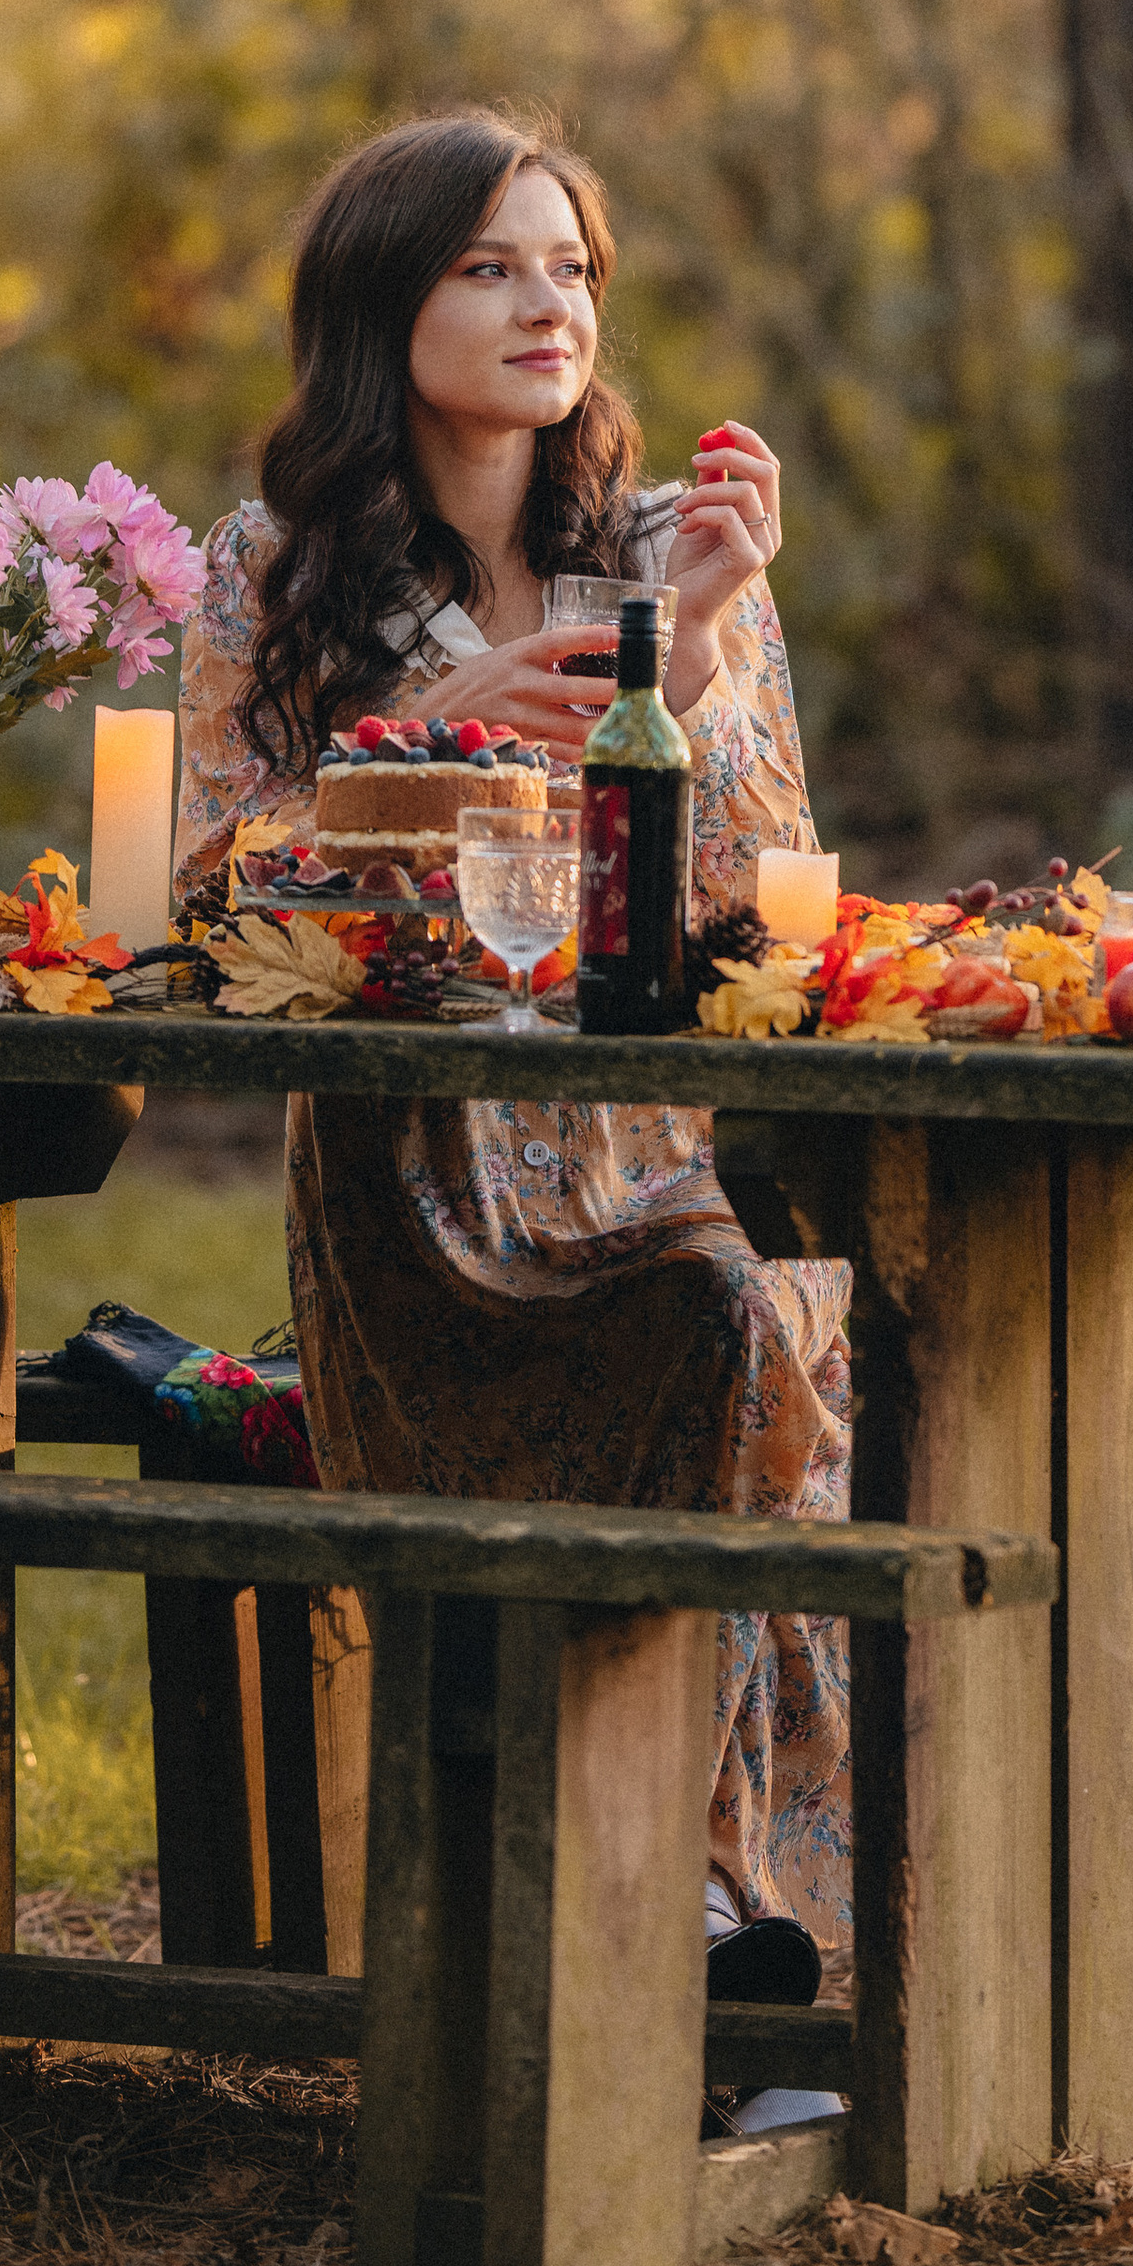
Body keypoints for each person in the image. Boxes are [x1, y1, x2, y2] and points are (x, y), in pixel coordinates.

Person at [175, 110, 850, 2116]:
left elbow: (766, 902)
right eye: (488, 266)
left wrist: (698, 653)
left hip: (649, 1167)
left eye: (569, 267)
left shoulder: (661, 560)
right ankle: (720, 1964)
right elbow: (201, 902)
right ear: (382, 304)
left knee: (766, 1325)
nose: (546, 304)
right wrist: (429, 727)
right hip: (419, 1196)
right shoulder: (267, 576)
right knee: (736, 1343)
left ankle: (733, 1936)